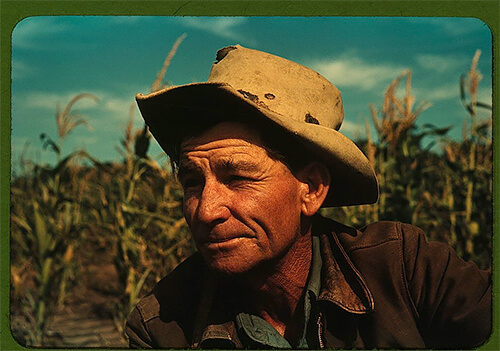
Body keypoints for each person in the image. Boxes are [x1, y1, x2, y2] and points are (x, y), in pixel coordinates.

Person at [125, 45, 491, 349]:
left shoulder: (407, 271)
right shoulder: (162, 327)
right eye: (192, 181)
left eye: (237, 177)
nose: (205, 211)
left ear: (312, 189)